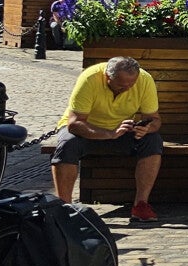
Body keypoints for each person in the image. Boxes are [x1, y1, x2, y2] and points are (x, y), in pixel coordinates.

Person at [51, 55, 163, 221]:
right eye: (120, 85)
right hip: (86, 130)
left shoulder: (145, 80)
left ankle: (141, 204)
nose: (126, 88)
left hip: (121, 131)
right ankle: (65, 207)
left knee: (153, 141)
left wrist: (146, 128)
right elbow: (74, 124)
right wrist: (109, 133)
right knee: (68, 144)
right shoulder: (90, 78)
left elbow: (155, 119)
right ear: (107, 77)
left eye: (131, 84)